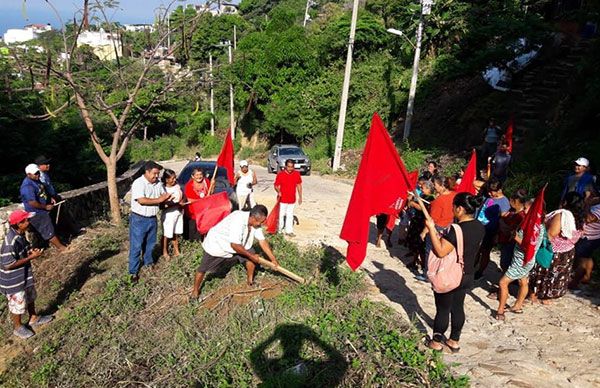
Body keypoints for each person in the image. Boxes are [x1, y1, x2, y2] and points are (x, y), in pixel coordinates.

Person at [424, 193, 485, 352]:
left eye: (453, 207)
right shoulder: (479, 226)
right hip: (468, 273)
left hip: (451, 274)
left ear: (460, 209)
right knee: (458, 307)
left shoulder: (456, 229)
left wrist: (431, 228)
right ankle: (454, 340)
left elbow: (441, 251)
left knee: (443, 309)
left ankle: (436, 342)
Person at [191, 205, 280, 300]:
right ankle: (195, 291)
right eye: (260, 222)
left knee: (251, 255)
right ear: (253, 217)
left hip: (240, 244)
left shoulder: (255, 224)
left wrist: (273, 260)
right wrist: (252, 256)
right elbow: (234, 245)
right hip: (218, 244)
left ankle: (250, 281)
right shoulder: (238, 220)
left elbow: (262, 241)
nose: (261, 224)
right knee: (203, 268)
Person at [0, 209, 54, 339]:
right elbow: (8, 265)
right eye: (26, 220)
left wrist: (31, 251)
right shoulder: (10, 242)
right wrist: (30, 258)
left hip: (23, 275)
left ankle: (33, 318)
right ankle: (18, 327)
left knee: (30, 296)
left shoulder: (20, 234)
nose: (29, 222)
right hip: (13, 281)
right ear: (19, 224)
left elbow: (24, 248)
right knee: (17, 303)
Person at [529, 192, 585, 304]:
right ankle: (547, 296)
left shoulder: (562, 215)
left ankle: (534, 294)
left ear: (565, 202)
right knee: (556, 276)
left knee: (543, 272)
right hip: (567, 251)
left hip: (554, 251)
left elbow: (551, 234)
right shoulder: (579, 216)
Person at [128, 161, 171, 281]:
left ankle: (148, 263)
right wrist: (160, 199)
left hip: (152, 218)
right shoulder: (139, 183)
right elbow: (141, 200)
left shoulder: (158, 184)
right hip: (139, 219)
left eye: (158, 173)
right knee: (136, 245)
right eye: (154, 173)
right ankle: (133, 271)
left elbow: (164, 195)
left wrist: (167, 199)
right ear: (147, 172)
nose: (157, 176)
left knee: (150, 244)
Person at [495, 224, 545, 321]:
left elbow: (529, 246)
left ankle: (500, 311)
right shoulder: (540, 226)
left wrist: (515, 237)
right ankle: (518, 305)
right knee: (523, 281)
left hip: (521, 261)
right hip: (526, 259)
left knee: (503, 282)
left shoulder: (532, 227)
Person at [19, 164, 67, 251]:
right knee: (47, 230)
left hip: (42, 209)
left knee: (51, 226)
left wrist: (50, 198)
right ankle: (61, 248)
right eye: (35, 173)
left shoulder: (36, 180)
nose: (38, 174)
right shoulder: (27, 187)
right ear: (28, 174)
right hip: (36, 212)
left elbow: (42, 190)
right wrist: (45, 207)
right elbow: (32, 202)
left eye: (38, 172)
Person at [475, 178, 511, 279]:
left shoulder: (504, 202)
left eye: (492, 191)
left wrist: (497, 234)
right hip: (479, 226)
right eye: (489, 191)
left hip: (490, 231)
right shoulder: (488, 194)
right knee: (476, 249)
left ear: (499, 190)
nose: (490, 193)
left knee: (485, 251)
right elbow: (475, 183)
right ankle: (472, 266)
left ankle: (480, 271)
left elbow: (503, 220)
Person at [405, 179, 435, 272]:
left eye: (424, 188)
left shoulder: (430, 198)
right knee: (415, 241)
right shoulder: (422, 195)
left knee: (421, 244)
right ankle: (414, 260)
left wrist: (413, 204)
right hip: (416, 220)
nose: (421, 189)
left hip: (422, 223)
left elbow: (423, 208)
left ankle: (422, 264)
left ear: (429, 189)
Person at [570, 202, 600, 289]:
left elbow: (589, 218)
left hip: (589, 237)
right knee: (587, 257)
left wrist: (587, 204)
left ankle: (574, 283)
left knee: (581, 260)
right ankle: (586, 277)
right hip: (593, 237)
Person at [274, 159, 302, 237]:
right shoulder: (281, 174)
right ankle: (279, 230)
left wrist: (300, 196)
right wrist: (278, 191)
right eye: (289, 167)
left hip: (292, 199)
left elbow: (299, 185)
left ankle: (289, 231)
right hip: (282, 199)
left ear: (294, 167)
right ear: (286, 166)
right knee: (281, 214)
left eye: (292, 167)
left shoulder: (296, 174)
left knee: (290, 215)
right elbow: (276, 185)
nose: (290, 169)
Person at [161, 169, 184, 259]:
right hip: (169, 215)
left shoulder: (177, 186)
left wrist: (183, 201)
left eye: (175, 178)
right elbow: (162, 205)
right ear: (167, 180)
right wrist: (176, 204)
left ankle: (176, 250)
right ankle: (165, 252)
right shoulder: (163, 189)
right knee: (166, 234)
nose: (174, 180)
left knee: (175, 233)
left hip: (178, 213)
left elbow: (183, 196)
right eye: (172, 178)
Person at [183, 168, 211, 241]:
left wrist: (213, 186)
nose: (199, 176)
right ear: (193, 176)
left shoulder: (207, 182)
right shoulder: (189, 185)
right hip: (193, 213)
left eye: (201, 174)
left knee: (203, 232)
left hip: (204, 212)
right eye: (197, 175)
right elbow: (190, 200)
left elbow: (210, 194)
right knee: (192, 234)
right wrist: (203, 200)